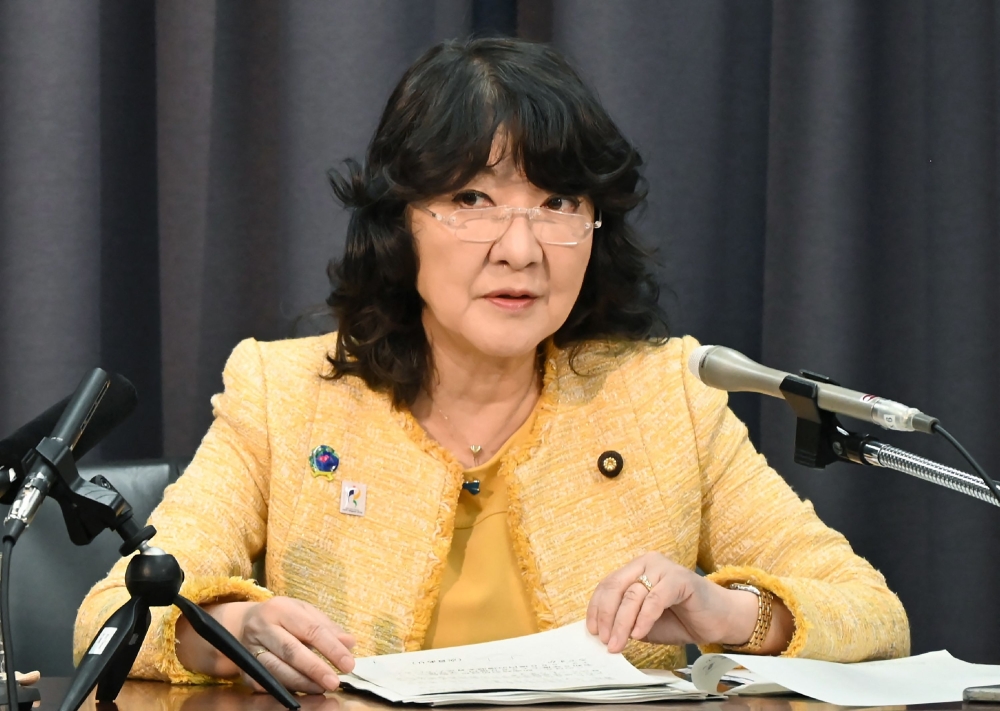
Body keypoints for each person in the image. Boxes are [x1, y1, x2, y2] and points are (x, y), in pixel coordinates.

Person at [74, 37, 909, 694]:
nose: (522, 249)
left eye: (558, 204)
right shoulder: (285, 392)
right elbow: (105, 616)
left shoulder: (665, 395)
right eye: (473, 200)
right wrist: (225, 632)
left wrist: (724, 610)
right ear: (402, 220)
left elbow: (875, 615)